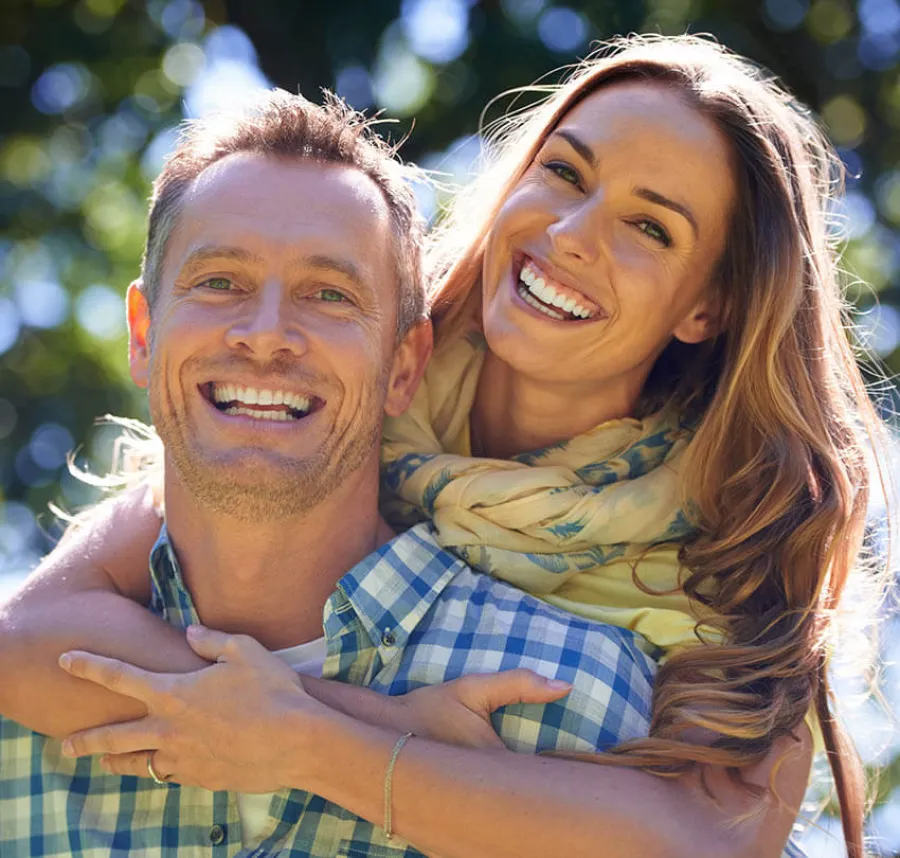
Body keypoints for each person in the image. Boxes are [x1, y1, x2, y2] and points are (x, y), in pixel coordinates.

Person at [1, 32, 881, 857]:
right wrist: (363, 719)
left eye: (650, 227)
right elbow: (29, 634)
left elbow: (707, 843)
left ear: (709, 306)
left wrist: (315, 745)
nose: (571, 236)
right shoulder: (331, 403)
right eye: (565, 173)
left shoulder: (723, 553)